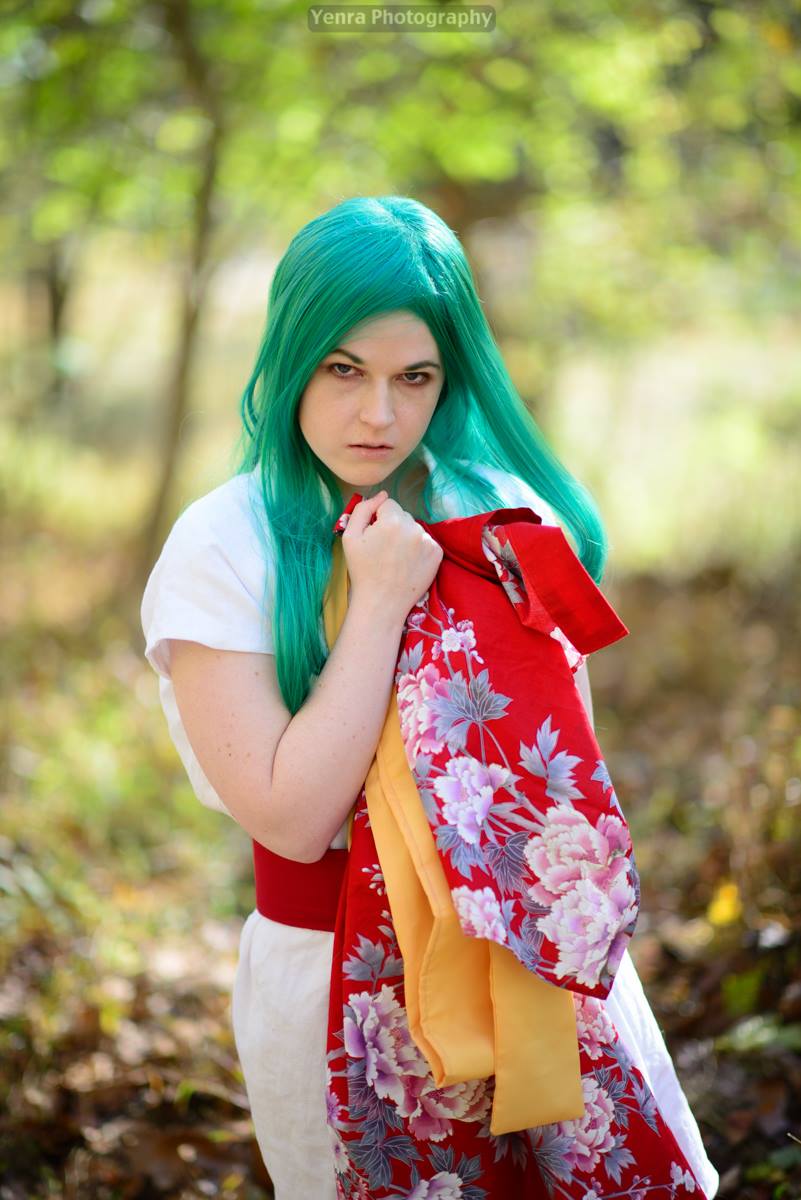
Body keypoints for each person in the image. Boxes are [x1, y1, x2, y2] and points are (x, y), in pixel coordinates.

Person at [140, 195, 719, 1199]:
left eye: (415, 377)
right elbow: (294, 817)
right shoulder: (222, 544)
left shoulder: (499, 514)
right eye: (343, 370)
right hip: (328, 978)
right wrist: (380, 604)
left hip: (528, 962)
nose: (380, 415)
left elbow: (552, 787)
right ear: (289, 356)